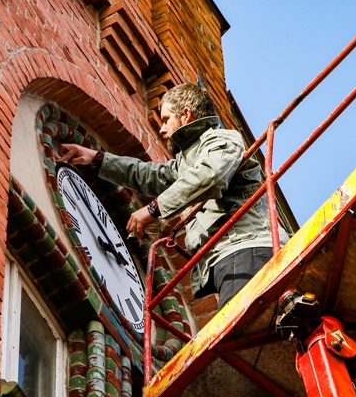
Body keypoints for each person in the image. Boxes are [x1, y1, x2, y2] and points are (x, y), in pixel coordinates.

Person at [58, 83, 275, 309]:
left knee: (236, 330)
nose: (161, 129)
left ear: (186, 114)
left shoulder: (221, 140)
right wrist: (96, 158)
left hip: (246, 247)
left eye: (165, 119)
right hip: (225, 256)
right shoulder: (186, 161)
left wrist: (152, 211)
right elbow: (150, 176)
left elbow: (210, 176)